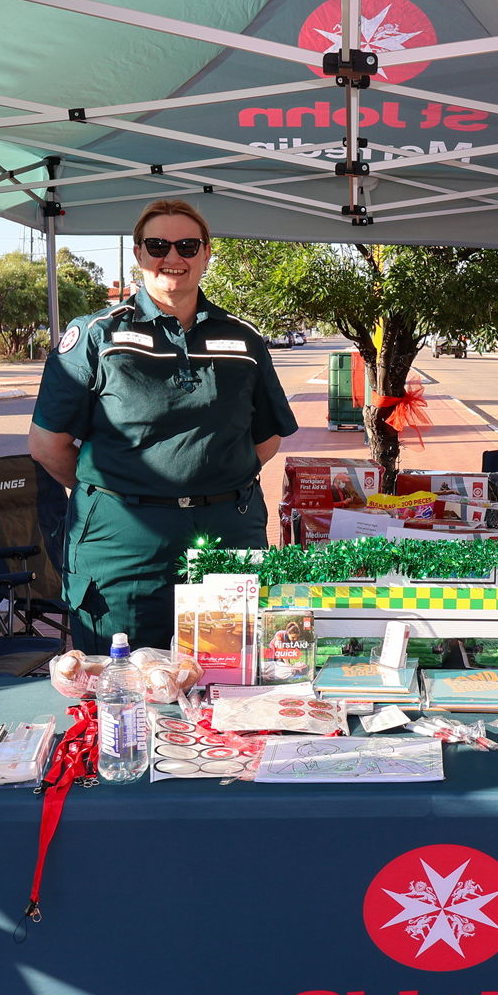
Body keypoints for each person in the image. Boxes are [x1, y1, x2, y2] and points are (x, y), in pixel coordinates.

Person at [29, 199, 298, 654]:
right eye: (158, 246)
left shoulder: (244, 339)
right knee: (122, 682)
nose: (172, 257)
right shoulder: (97, 335)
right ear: (138, 252)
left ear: (206, 253)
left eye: (187, 246)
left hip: (227, 537)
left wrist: (208, 479)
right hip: (122, 550)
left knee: (229, 675)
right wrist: (121, 492)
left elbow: (266, 438)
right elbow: (46, 444)